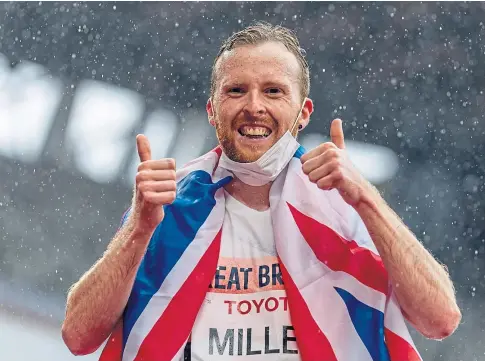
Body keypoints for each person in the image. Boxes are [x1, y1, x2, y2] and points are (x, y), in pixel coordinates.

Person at [61, 22, 461, 361]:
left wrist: (367, 199)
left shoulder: (346, 207)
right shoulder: (167, 205)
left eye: (273, 91)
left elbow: (440, 319)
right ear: (212, 110)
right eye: (236, 91)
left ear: (303, 113)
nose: (254, 106)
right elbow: (78, 337)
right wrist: (138, 229)